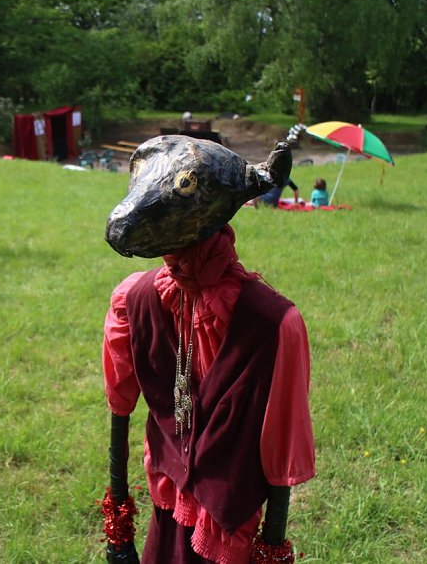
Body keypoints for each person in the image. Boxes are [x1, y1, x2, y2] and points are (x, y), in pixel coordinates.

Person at [101, 137, 314, 563]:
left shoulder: (273, 323)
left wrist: (271, 547)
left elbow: (281, 446)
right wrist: (119, 529)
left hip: (228, 520)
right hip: (166, 497)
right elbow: (120, 407)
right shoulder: (134, 300)